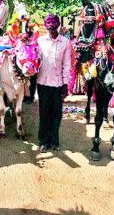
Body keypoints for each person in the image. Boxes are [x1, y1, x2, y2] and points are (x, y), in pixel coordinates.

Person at [36, 13, 71, 152]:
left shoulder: (65, 42)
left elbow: (67, 64)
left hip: (57, 84)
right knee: (44, 113)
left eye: (53, 23)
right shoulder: (40, 41)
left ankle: (54, 141)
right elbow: (35, 59)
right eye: (48, 23)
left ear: (58, 24)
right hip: (42, 82)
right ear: (45, 25)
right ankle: (43, 141)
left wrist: (65, 84)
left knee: (56, 114)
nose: (51, 25)